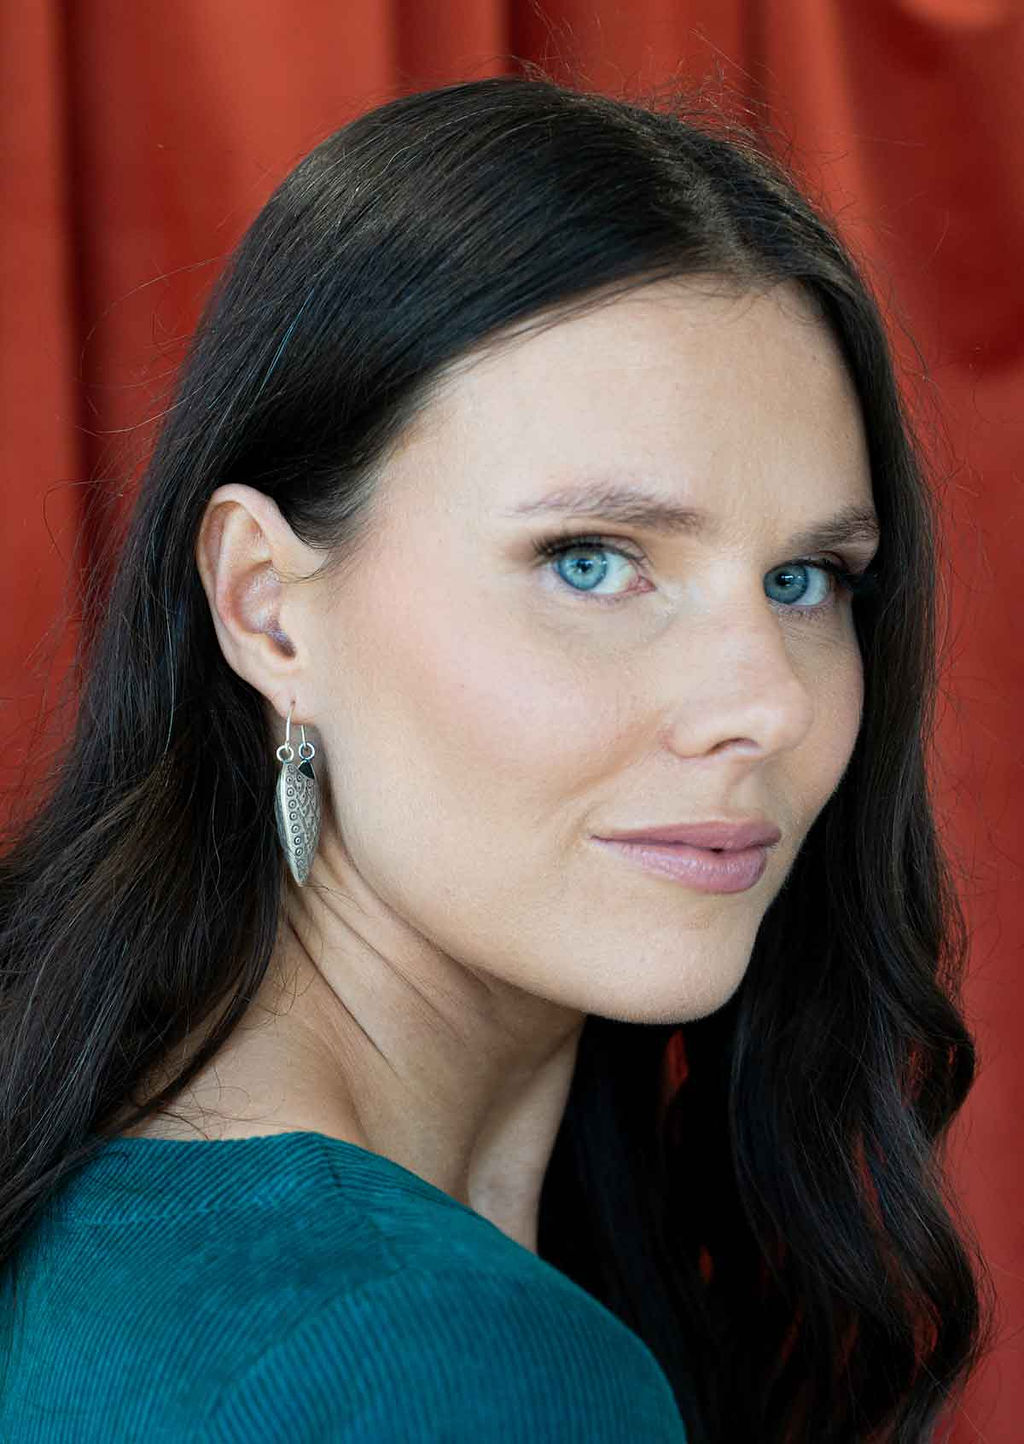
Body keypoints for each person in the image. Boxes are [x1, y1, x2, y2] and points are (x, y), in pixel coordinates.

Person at [0, 74, 993, 1443]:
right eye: (592, 562)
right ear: (267, 608)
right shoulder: (433, 1360)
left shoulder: (98, 1191)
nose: (765, 701)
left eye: (809, 579)